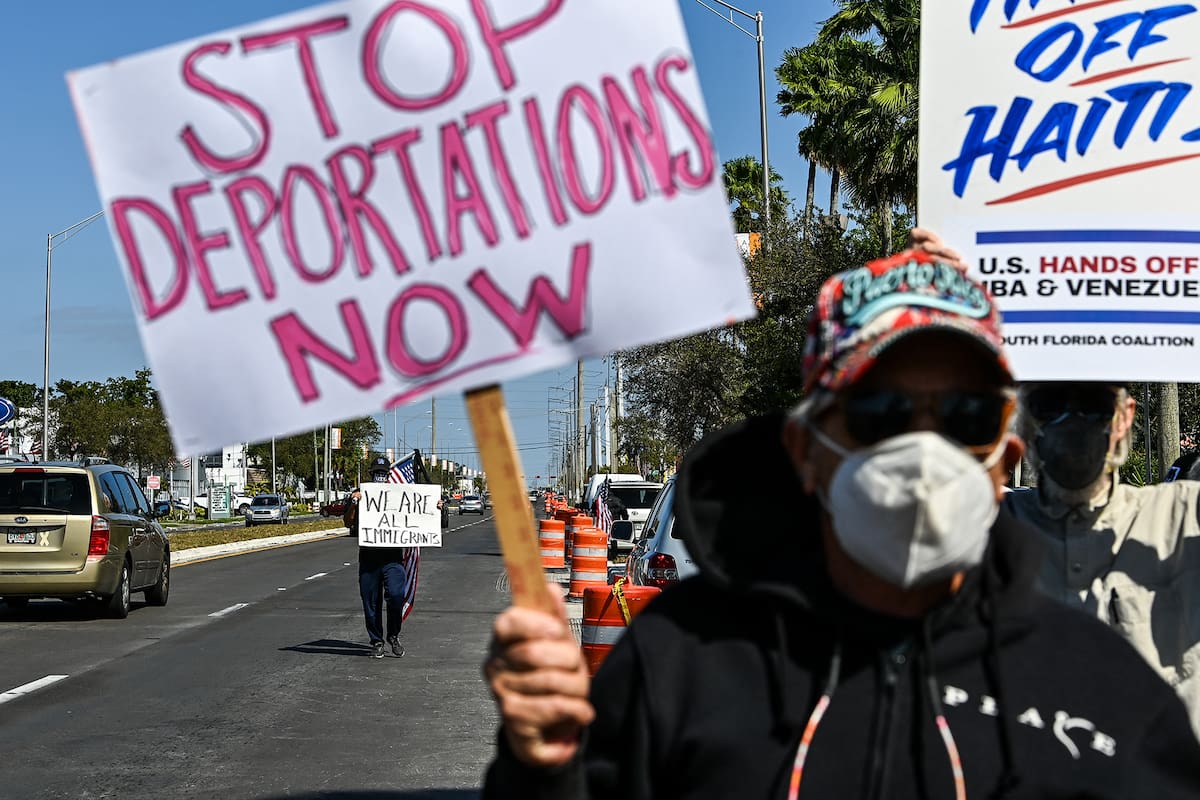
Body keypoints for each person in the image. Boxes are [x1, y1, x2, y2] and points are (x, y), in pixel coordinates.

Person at [483, 248, 1200, 798]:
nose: (924, 449)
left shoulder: (1106, 692)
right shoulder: (681, 660)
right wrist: (542, 769)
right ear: (806, 447)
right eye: (880, 413)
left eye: (966, 416)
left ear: (1004, 456)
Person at [1006, 381, 1200, 737]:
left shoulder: (1182, 514)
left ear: (1125, 417)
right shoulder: (990, 526)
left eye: (1094, 405)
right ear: (1026, 422)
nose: (1072, 422)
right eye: (1050, 405)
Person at [345, 456, 408, 659]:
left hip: (393, 558)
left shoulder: (399, 496)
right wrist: (354, 503)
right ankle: (377, 640)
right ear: (371, 474)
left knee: (397, 596)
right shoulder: (361, 495)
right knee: (370, 602)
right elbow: (348, 522)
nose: (380, 476)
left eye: (383, 473)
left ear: (389, 475)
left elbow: (419, 515)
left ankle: (394, 635)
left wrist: (437, 507)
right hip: (370, 558)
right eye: (376, 473)